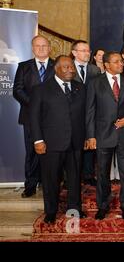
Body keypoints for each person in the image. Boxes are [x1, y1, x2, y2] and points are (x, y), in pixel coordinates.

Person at [86, 51, 124, 220]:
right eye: (117, 61)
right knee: (102, 173)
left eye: (121, 60)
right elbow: (90, 111)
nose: (122, 63)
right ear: (106, 65)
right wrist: (91, 136)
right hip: (102, 135)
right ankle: (103, 205)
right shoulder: (95, 83)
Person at [29, 56, 87, 224]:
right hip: (51, 142)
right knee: (51, 179)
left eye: (72, 67)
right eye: (66, 67)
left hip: (75, 142)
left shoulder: (80, 88)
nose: (70, 70)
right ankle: (51, 211)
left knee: (75, 178)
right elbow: (34, 117)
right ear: (56, 69)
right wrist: (38, 140)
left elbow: (85, 114)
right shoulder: (41, 89)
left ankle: (74, 208)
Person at [13, 35, 55, 198]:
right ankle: (30, 184)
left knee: (51, 152)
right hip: (30, 116)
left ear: (50, 47)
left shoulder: (56, 65)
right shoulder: (23, 67)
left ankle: (48, 183)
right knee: (31, 151)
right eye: (37, 46)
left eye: (44, 46)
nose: (41, 48)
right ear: (32, 48)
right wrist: (35, 105)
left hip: (52, 117)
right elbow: (17, 90)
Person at [71, 40, 101, 186]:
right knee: (72, 147)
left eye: (88, 51)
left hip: (91, 113)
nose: (87, 53)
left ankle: (88, 174)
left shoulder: (95, 70)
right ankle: (71, 176)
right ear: (74, 53)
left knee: (90, 143)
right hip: (72, 115)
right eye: (83, 50)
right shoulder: (67, 68)